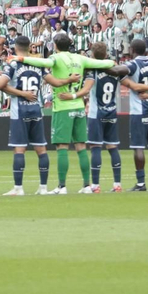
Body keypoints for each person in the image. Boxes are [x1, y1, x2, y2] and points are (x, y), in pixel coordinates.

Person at [41, 32, 114, 194]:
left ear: (56, 45)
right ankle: (87, 185)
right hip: (79, 107)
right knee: (81, 146)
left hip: (62, 106)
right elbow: (106, 63)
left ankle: (62, 186)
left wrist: (22, 59)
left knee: (62, 146)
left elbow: (43, 64)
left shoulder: (56, 58)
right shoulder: (80, 59)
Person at [0, 35, 54, 195]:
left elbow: (0, 85)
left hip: (20, 110)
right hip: (36, 109)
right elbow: (54, 81)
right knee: (41, 148)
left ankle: (18, 188)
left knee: (19, 149)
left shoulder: (13, 63)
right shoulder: (37, 63)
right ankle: (43, 188)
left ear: (15, 48)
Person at [118, 39, 148, 192]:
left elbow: (119, 71)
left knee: (138, 147)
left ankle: (140, 183)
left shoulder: (132, 64)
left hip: (139, 109)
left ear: (132, 50)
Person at [80, 44, 124, 191]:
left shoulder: (93, 70)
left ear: (92, 55)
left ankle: (96, 185)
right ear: (106, 54)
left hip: (96, 113)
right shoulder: (115, 69)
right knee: (112, 147)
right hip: (111, 111)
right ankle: (117, 184)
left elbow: (86, 86)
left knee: (95, 147)